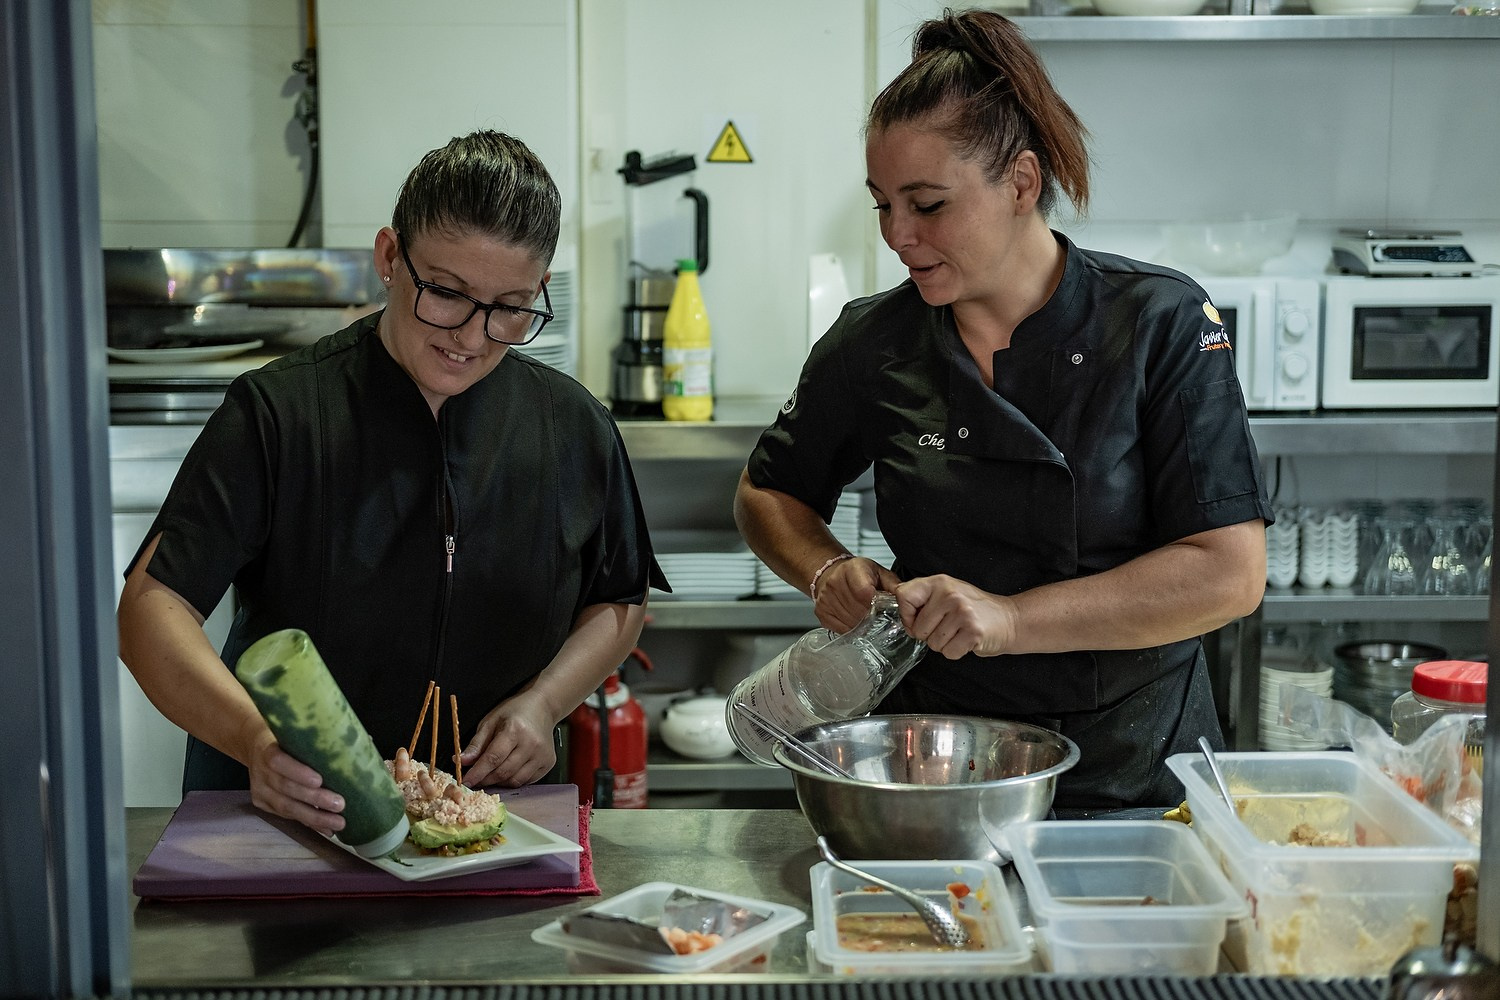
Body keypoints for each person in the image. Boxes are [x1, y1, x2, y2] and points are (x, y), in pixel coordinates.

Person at [734, 9, 1271, 815]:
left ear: (1021, 183)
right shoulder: (874, 342)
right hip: (940, 755)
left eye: (928, 204)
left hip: (1135, 764)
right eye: (883, 204)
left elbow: (1230, 574)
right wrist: (825, 569)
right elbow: (767, 493)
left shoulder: (1159, 322)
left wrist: (1011, 619)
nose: (899, 235)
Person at [117, 130, 666, 838]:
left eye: (511, 307)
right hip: (293, 825)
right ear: (388, 258)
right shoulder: (281, 413)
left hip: (497, 826)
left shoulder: (571, 425)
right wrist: (255, 742)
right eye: (445, 292)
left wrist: (546, 703)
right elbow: (150, 608)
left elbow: (620, 594)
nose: (471, 336)